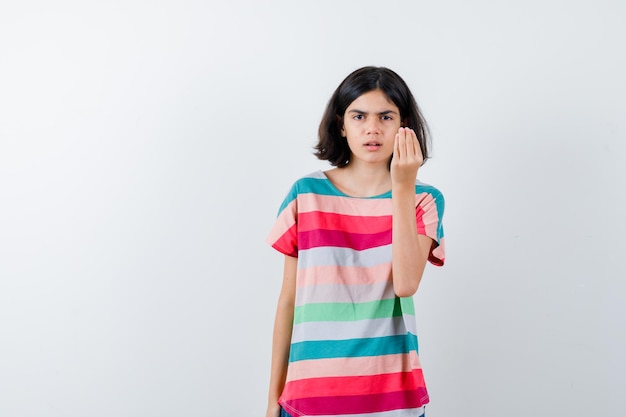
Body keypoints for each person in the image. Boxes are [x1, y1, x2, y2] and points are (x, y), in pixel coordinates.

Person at [265, 66, 445, 417]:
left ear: (403, 125)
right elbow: (289, 301)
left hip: (392, 399)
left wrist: (404, 185)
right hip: (310, 397)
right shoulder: (306, 194)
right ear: (341, 124)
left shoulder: (424, 199)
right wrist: (272, 401)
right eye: (359, 115)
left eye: (386, 116)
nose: (372, 128)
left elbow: (406, 284)